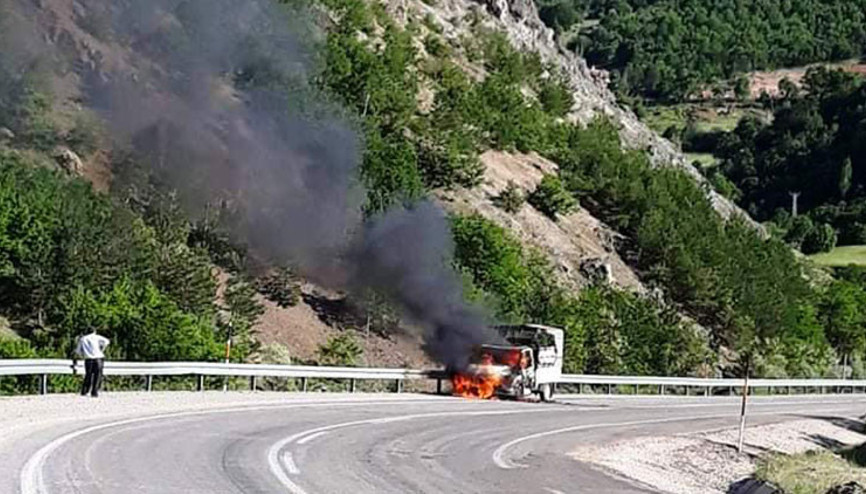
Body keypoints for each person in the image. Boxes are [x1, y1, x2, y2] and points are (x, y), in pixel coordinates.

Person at [74, 330, 110, 397]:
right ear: (94, 331)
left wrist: (82, 355)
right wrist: (102, 348)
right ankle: (94, 392)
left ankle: (85, 390)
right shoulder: (96, 337)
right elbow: (107, 341)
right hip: (98, 358)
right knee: (98, 376)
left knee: (88, 375)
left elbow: (78, 351)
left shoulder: (83, 339)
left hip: (88, 359)